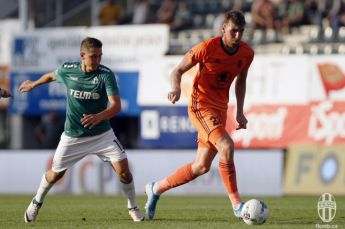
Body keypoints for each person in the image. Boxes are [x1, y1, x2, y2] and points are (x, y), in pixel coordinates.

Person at [19, 37, 144, 223]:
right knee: (55, 174)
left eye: (100, 56)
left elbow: (116, 106)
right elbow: (51, 76)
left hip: (102, 134)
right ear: (82, 56)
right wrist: (33, 84)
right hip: (73, 136)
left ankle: (132, 207)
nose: (97, 60)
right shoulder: (68, 70)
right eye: (93, 56)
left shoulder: (105, 75)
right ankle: (36, 202)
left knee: (124, 171)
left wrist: (99, 117)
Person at [144, 10, 254, 220]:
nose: (237, 36)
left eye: (241, 32)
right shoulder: (206, 48)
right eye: (233, 31)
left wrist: (239, 112)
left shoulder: (246, 53)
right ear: (223, 29)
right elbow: (176, 71)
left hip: (221, 108)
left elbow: (241, 81)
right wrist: (175, 89)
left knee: (201, 167)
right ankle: (237, 205)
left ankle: (155, 188)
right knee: (227, 146)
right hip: (200, 105)